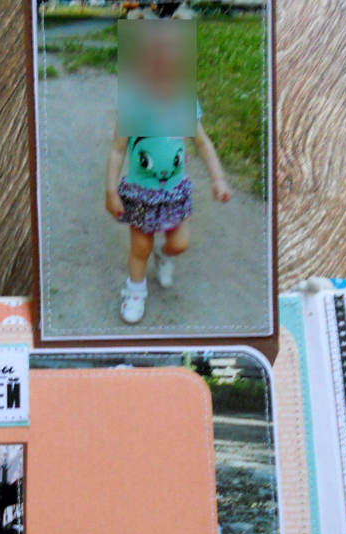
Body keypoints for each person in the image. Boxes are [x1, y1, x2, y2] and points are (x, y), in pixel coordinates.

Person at [106, 21, 232, 324]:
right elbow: (118, 150)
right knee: (140, 247)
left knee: (180, 243)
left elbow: (202, 143)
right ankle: (135, 291)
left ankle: (164, 256)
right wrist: (110, 191)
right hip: (141, 193)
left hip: (175, 192)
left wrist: (218, 179)